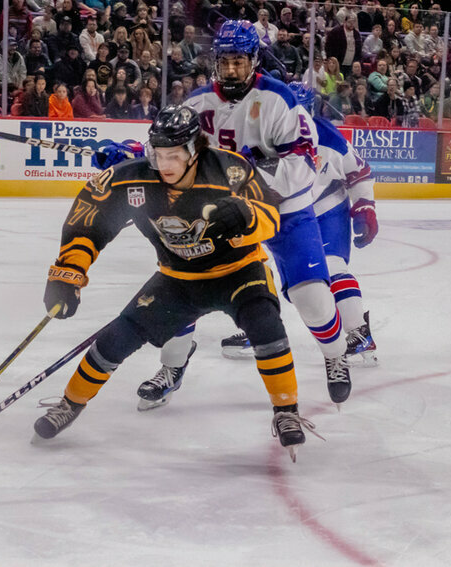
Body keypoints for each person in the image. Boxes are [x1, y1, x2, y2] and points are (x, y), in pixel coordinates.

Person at [33, 105, 317, 460]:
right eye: (158, 154)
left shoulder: (229, 169)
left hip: (240, 272)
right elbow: (87, 223)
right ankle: (69, 404)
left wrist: (247, 214)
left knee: (266, 327)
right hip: (178, 279)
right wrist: (67, 274)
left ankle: (286, 411)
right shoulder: (132, 179)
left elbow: (273, 219)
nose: (165, 164)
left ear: (194, 150)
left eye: (174, 155)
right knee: (115, 340)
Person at [136, 20, 353, 409]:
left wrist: (247, 175)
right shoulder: (196, 104)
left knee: (314, 298)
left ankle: (335, 355)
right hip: (218, 215)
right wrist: (131, 157)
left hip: (284, 211)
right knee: (180, 290)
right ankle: (172, 366)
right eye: (225, 62)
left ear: (254, 60)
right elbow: (168, 152)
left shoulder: (280, 99)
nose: (231, 70)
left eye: (239, 61)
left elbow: (303, 163)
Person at [288, 82, 378, 366]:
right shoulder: (268, 136)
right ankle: (259, 328)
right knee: (283, 274)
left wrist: (364, 205)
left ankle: (358, 332)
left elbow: (359, 172)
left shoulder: (330, 139)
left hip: (328, 208)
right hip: (289, 213)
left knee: (331, 264)